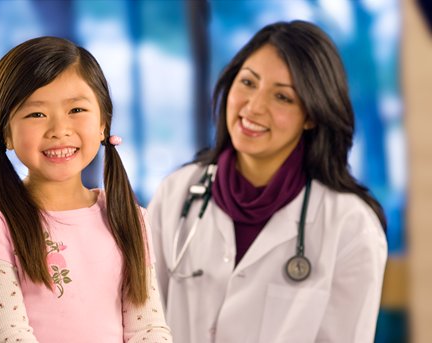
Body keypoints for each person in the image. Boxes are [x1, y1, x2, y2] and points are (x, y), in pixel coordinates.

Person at [148, 20, 387, 343]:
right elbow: (142, 324)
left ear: (312, 115)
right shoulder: (176, 194)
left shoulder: (350, 226)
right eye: (248, 82)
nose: (255, 106)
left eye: (283, 97)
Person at [0, 36, 172, 343]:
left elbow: (149, 328)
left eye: (76, 110)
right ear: (5, 131)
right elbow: (10, 334)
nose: (59, 130)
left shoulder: (129, 216)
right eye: (36, 114)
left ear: (103, 122)